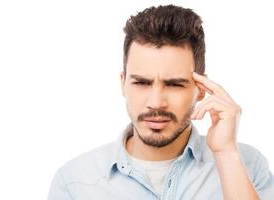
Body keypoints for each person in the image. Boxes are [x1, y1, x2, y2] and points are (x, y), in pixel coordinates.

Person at [47, 4, 274, 199]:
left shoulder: (247, 166)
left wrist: (226, 153)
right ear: (123, 83)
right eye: (142, 83)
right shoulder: (74, 182)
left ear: (202, 88)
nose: (156, 103)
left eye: (174, 84)